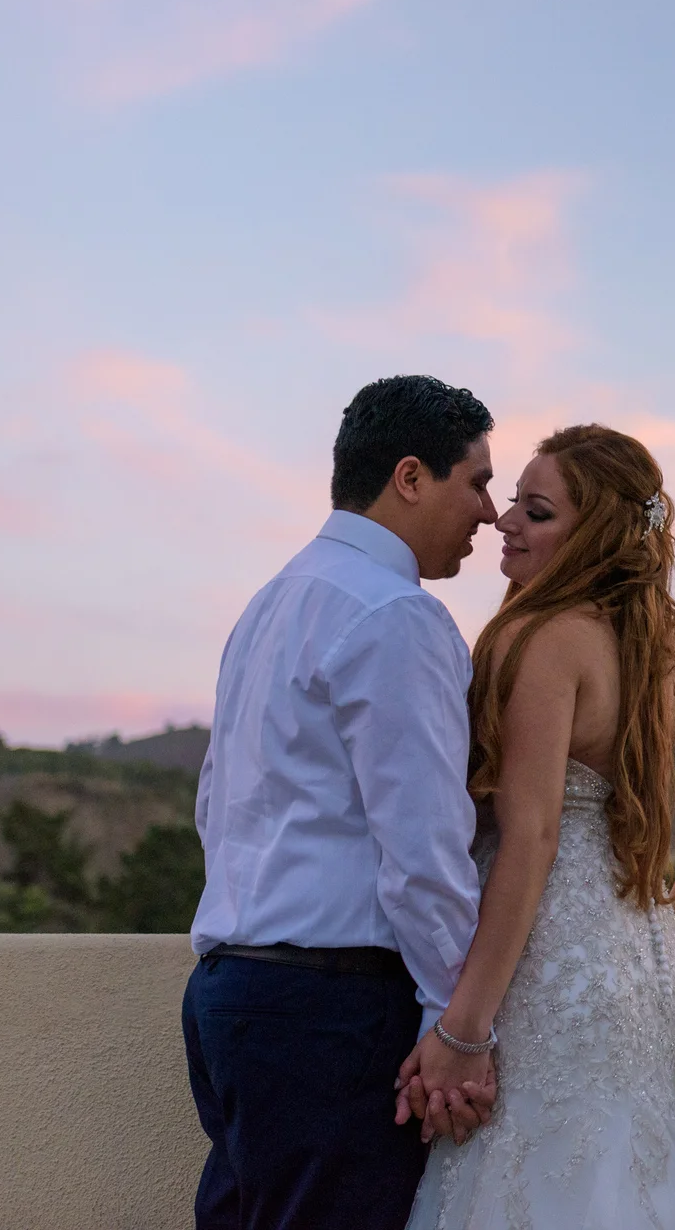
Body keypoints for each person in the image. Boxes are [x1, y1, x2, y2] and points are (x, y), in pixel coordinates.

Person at [402, 423, 675, 1230]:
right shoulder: (643, 646)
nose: (506, 524)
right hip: (633, 966)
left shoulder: (544, 640)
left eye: (535, 513)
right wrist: (674, 925)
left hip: (546, 971)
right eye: (512, 505)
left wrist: (462, 1031)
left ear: (595, 534)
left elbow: (528, 839)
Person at [185, 375, 502, 1230]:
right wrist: (455, 1027)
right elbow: (426, 844)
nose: (490, 512)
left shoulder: (271, 602)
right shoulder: (395, 614)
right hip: (328, 1015)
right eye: (476, 481)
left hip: (228, 996)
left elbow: (215, 802)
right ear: (410, 476)